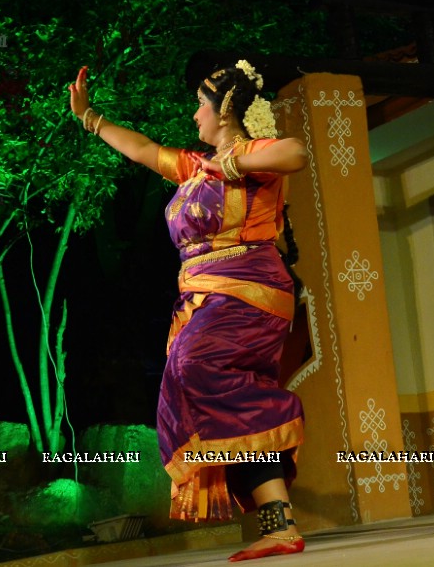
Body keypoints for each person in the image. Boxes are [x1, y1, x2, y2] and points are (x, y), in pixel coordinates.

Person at [69, 61, 309, 560]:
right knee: (213, 401)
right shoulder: (196, 165)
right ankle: (279, 524)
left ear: (224, 110)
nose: (194, 114)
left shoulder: (249, 154)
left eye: (201, 104)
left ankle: (281, 415)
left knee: (193, 367)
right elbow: (141, 150)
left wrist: (237, 164)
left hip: (248, 288)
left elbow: (296, 152)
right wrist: (89, 117)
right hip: (206, 297)